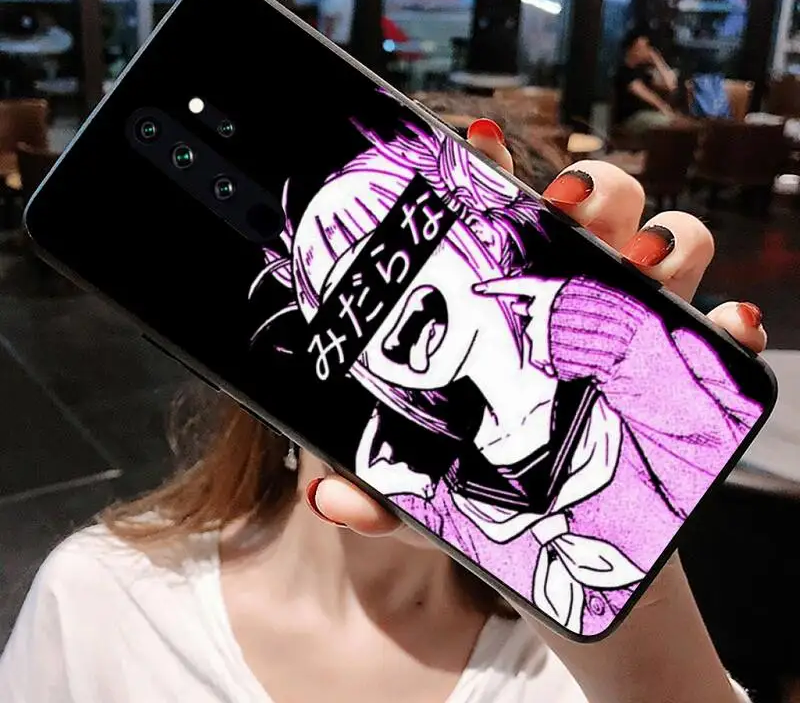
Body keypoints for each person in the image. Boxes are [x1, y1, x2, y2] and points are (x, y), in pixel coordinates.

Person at [0, 121, 764, 701]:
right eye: (350, 310)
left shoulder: (577, 659)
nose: (392, 316)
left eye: (401, 254)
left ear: (494, 248)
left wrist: (639, 615)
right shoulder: (98, 603)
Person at [613, 28, 680, 134]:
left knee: (679, 121)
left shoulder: (643, 71)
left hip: (647, 115)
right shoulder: (624, 71)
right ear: (631, 49)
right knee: (670, 122)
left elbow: (670, 85)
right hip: (631, 118)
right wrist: (663, 107)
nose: (646, 50)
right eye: (642, 47)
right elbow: (644, 93)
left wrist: (657, 60)